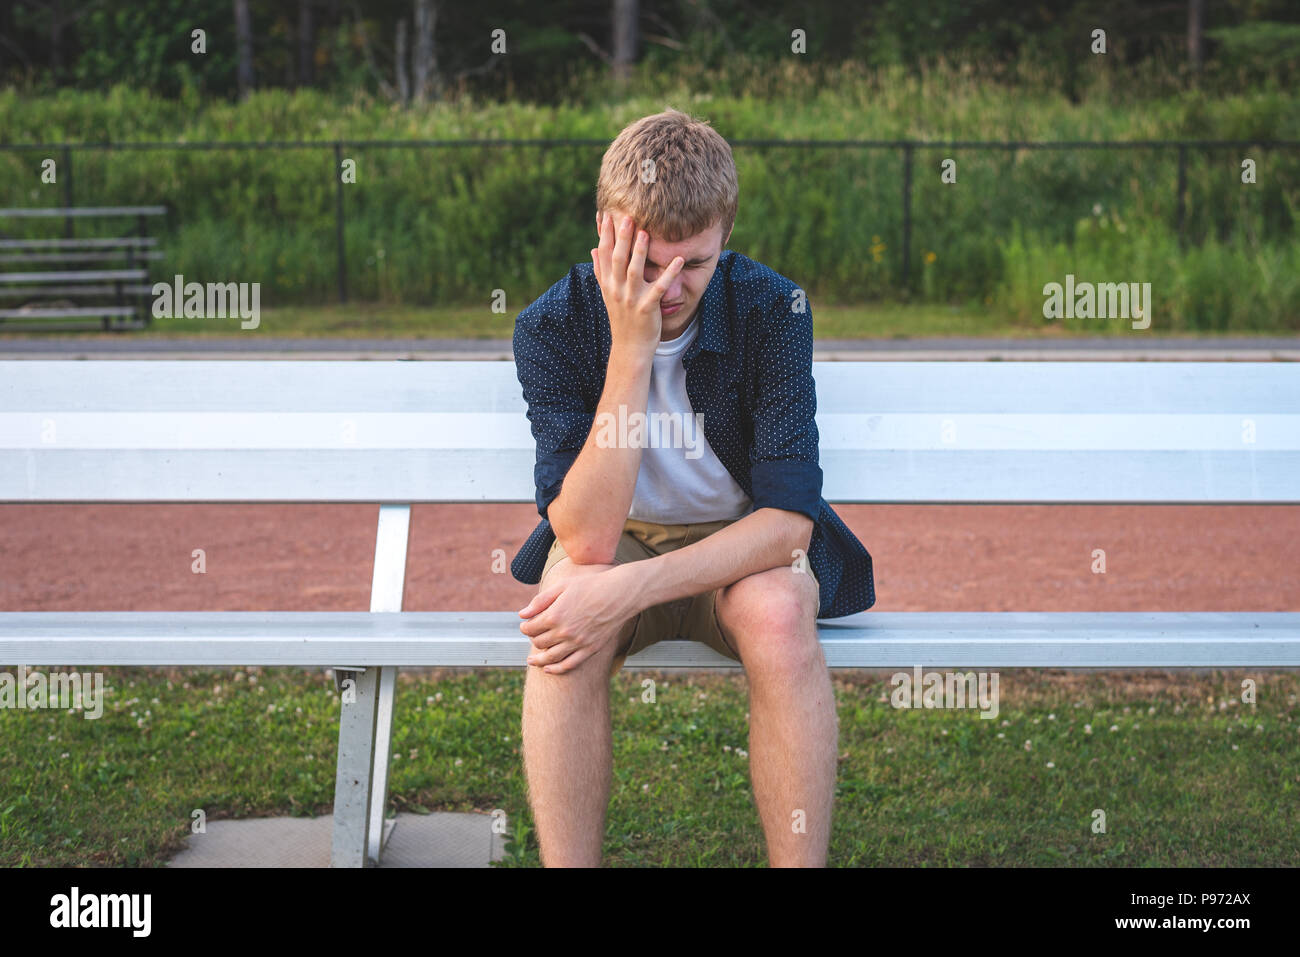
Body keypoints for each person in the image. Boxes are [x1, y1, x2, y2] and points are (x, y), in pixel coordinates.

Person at [509, 108, 874, 867]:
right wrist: (631, 351)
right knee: (563, 623)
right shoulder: (556, 325)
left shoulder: (773, 310)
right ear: (607, 230)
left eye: (694, 265)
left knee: (778, 615)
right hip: (619, 539)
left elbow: (786, 526)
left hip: (739, 548)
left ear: (725, 237)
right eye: (646, 264)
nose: (669, 289)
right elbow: (586, 541)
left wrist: (631, 589)